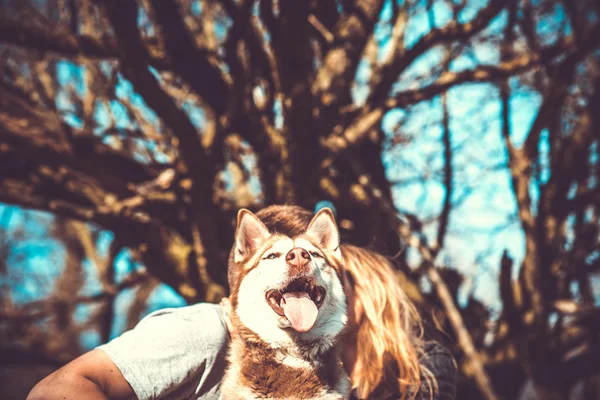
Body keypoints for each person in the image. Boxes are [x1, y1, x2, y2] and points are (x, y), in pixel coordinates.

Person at [27, 205, 456, 400]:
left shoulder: (349, 377)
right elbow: (55, 390)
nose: (299, 258)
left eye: (315, 256)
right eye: (274, 255)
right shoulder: (207, 330)